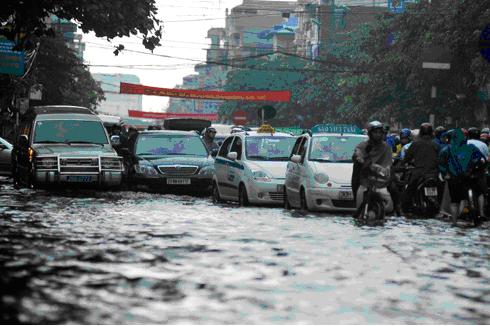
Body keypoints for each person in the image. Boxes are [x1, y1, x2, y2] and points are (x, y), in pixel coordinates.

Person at [439, 128, 486, 221]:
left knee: (455, 201)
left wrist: (446, 174)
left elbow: (442, 164)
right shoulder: (471, 147)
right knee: (477, 193)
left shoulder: (446, 149)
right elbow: (482, 160)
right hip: (469, 177)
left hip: (454, 178)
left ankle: (454, 222)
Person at [352, 121, 393, 211]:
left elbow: (389, 163)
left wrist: (386, 169)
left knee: (394, 188)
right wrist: (359, 158)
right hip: (365, 179)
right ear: (370, 133)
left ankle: (399, 209)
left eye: (379, 133)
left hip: (381, 179)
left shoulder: (386, 147)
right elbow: (357, 153)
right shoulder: (363, 145)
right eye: (375, 132)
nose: (378, 135)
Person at [401, 123, 439, 214]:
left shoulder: (415, 144)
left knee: (408, 191)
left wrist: (403, 164)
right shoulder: (436, 145)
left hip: (419, 173)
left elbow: (407, 158)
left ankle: (405, 211)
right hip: (434, 174)